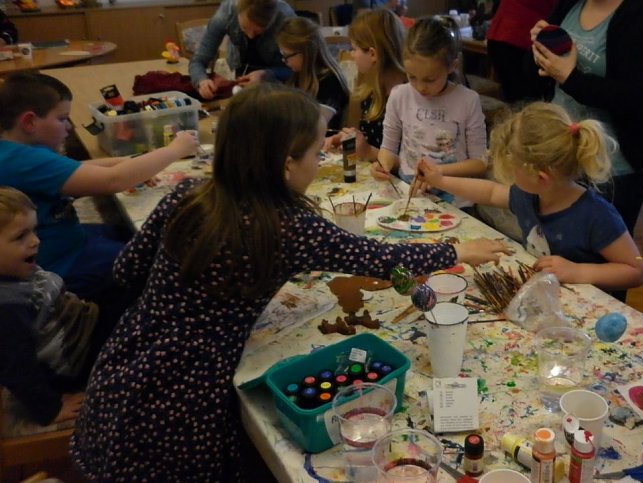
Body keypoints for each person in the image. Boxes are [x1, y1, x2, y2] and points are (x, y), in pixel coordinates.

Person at [70, 83, 509, 481]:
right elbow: (377, 257)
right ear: (285, 164)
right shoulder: (287, 227)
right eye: (317, 153)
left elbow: (125, 272)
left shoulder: (185, 197)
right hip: (182, 403)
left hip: (122, 369)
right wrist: (455, 251)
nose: (319, 162)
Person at [530, 0, 643, 262]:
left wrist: (569, 77)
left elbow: (636, 99)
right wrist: (543, 50)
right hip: (570, 151)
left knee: (606, 265)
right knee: (564, 253)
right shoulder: (569, 1)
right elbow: (556, 71)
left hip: (618, 162)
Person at [0, 71, 199, 300]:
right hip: (61, 264)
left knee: (131, 234)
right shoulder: (24, 160)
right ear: (29, 121)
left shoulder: (16, 150)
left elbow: (75, 167)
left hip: (65, 241)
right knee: (152, 259)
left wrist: (129, 162)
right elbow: (113, 181)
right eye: (62, 119)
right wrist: (175, 149)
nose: (68, 128)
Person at [418, 102, 643, 294]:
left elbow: (635, 271)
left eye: (513, 169)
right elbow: (490, 192)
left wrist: (578, 271)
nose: (510, 178)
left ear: (541, 177)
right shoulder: (532, 194)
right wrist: (441, 180)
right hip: (546, 301)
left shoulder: (597, 215)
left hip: (595, 319)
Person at [0, 187, 127, 428]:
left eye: (34, 231)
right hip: (71, 362)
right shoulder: (7, 308)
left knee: (127, 289)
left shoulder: (13, 270)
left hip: (75, 329)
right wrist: (51, 410)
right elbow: (18, 369)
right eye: (20, 237)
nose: (35, 241)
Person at [370, 17, 487, 207]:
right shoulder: (399, 96)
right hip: (410, 195)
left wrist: (439, 173)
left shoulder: (467, 100)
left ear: (451, 67)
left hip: (456, 200)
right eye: (412, 77)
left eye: (430, 79)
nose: (420, 87)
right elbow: (388, 149)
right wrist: (383, 165)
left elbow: (480, 163)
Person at [487, 0, 572, 102]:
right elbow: (570, 7)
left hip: (497, 38)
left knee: (514, 100)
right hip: (518, 42)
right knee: (528, 103)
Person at [189, 0, 297, 100]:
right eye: (244, 28)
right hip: (242, 71)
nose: (251, 36)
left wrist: (267, 75)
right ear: (237, 13)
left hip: (281, 83)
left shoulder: (287, 20)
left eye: (258, 32)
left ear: (272, 22)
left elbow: (303, 69)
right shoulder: (226, 14)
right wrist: (202, 81)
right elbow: (198, 60)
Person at [328, 8, 407, 160]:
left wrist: (369, 152)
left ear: (372, 54)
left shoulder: (409, 97)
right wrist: (346, 139)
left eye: (354, 48)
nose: (352, 54)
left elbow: (414, 162)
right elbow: (366, 140)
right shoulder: (371, 91)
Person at [277, 16, 351, 129]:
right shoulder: (298, 75)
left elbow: (320, 126)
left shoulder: (330, 82)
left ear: (306, 53)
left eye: (286, 56)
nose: (284, 60)